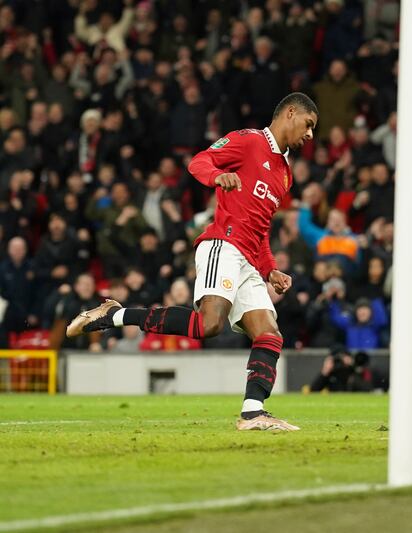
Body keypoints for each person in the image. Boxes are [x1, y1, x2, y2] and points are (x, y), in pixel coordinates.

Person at [66, 92, 319, 432]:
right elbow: (199, 161)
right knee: (209, 325)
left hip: (248, 259)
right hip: (222, 246)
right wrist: (216, 177)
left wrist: (269, 267)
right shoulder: (248, 141)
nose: (310, 135)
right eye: (309, 125)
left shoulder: (285, 174)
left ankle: (253, 412)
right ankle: (114, 315)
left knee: (270, 334)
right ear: (290, 113)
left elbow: (261, 227)